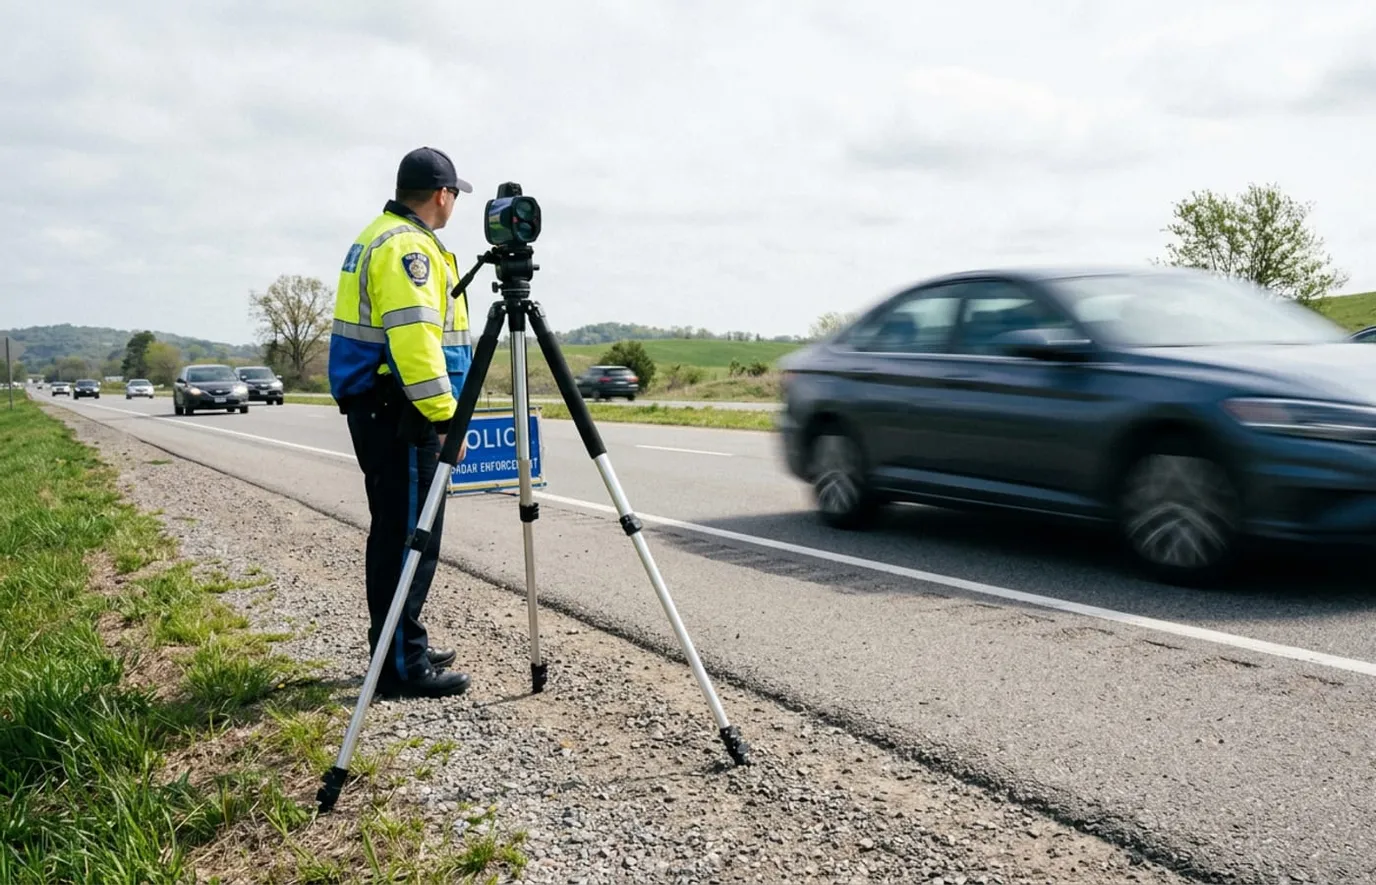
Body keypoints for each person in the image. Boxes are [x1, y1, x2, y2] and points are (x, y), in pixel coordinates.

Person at [327, 146, 476, 699]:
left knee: (398, 533)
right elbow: (415, 341)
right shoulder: (409, 248)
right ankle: (401, 667)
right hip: (401, 412)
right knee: (410, 539)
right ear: (443, 195)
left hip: (382, 406)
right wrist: (444, 418)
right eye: (455, 193)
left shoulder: (380, 235)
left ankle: (398, 642)